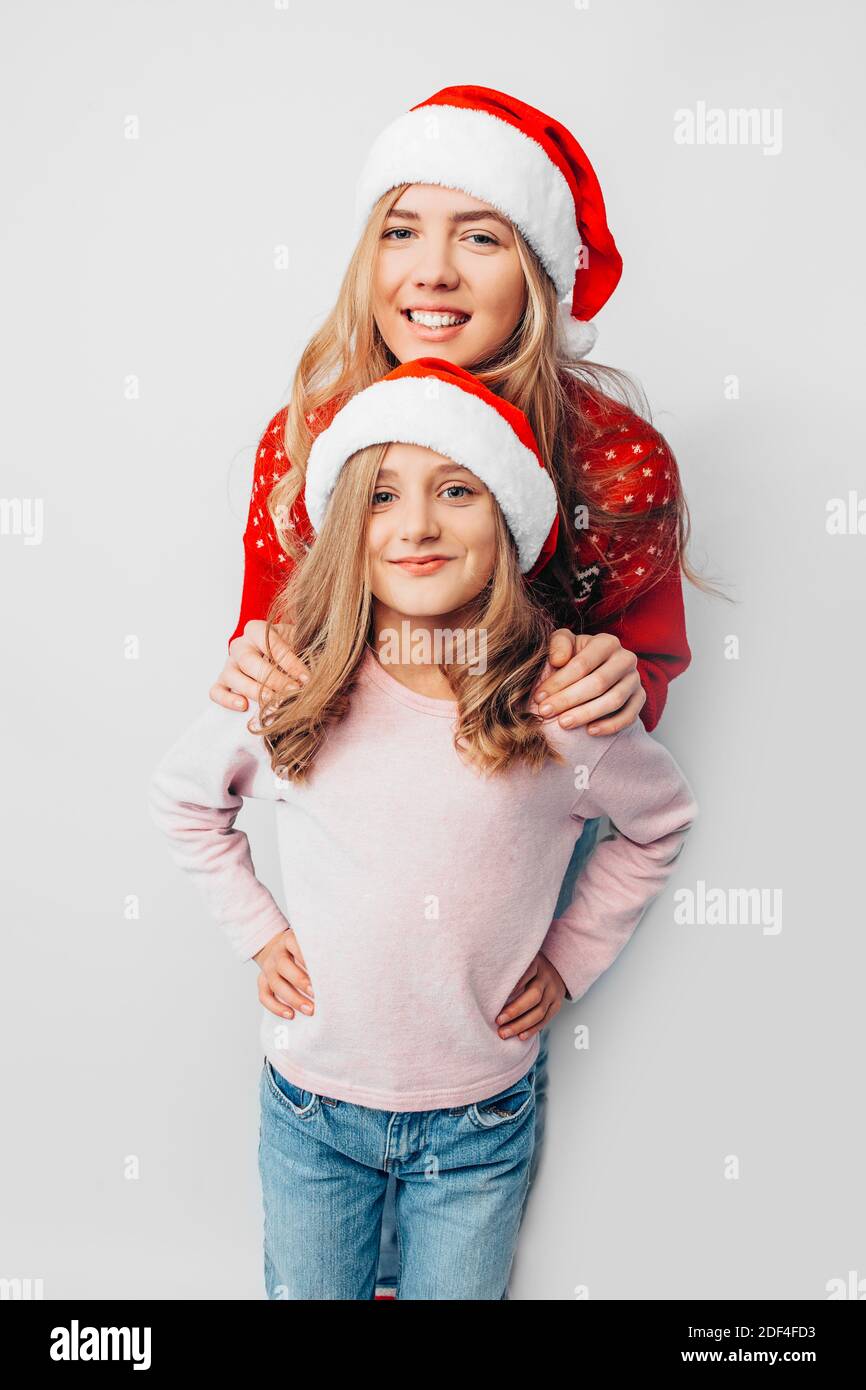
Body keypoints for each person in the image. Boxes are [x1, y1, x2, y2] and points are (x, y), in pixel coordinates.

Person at [207, 85, 705, 1296]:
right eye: (400, 229)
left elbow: (642, 687)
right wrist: (249, 664)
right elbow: (273, 643)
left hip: (476, 1007)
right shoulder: (308, 436)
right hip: (331, 1029)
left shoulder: (611, 455)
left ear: (533, 268)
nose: (430, 271)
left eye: (478, 234)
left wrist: (615, 674)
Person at [150, 358, 698, 1299]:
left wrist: (569, 957)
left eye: (456, 490)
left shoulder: (559, 707)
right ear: (345, 532)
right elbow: (185, 798)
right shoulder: (298, 692)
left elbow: (661, 822)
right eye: (382, 497)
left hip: (479, 1121)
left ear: (511, 524)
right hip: (313, 1110)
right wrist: (257, 930)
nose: (416, 526)